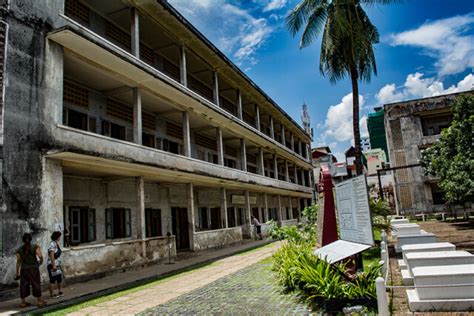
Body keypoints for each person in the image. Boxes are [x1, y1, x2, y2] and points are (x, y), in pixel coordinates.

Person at [15, 233, 47, 308]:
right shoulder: (35, 247)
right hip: (34, 269)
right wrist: (40, 262)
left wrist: (17, 273)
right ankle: (39, 301)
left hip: (24, 269)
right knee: (36, 283)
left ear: (23, 240)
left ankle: (23, 303)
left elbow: (18, 262)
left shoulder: (19, 250)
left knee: (23, 285)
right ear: (30, 239)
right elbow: (40, 256)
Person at [47, 231, 63, 298]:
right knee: (52, 279)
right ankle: (52, 294)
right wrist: (53, 265)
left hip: (57, 264)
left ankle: (59, 291)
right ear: (57, 237)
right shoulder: (52, 244)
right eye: (59, 236)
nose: (60, 237)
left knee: (59, 278)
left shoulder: (56, 244)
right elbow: (52, 255)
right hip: (52, 264)